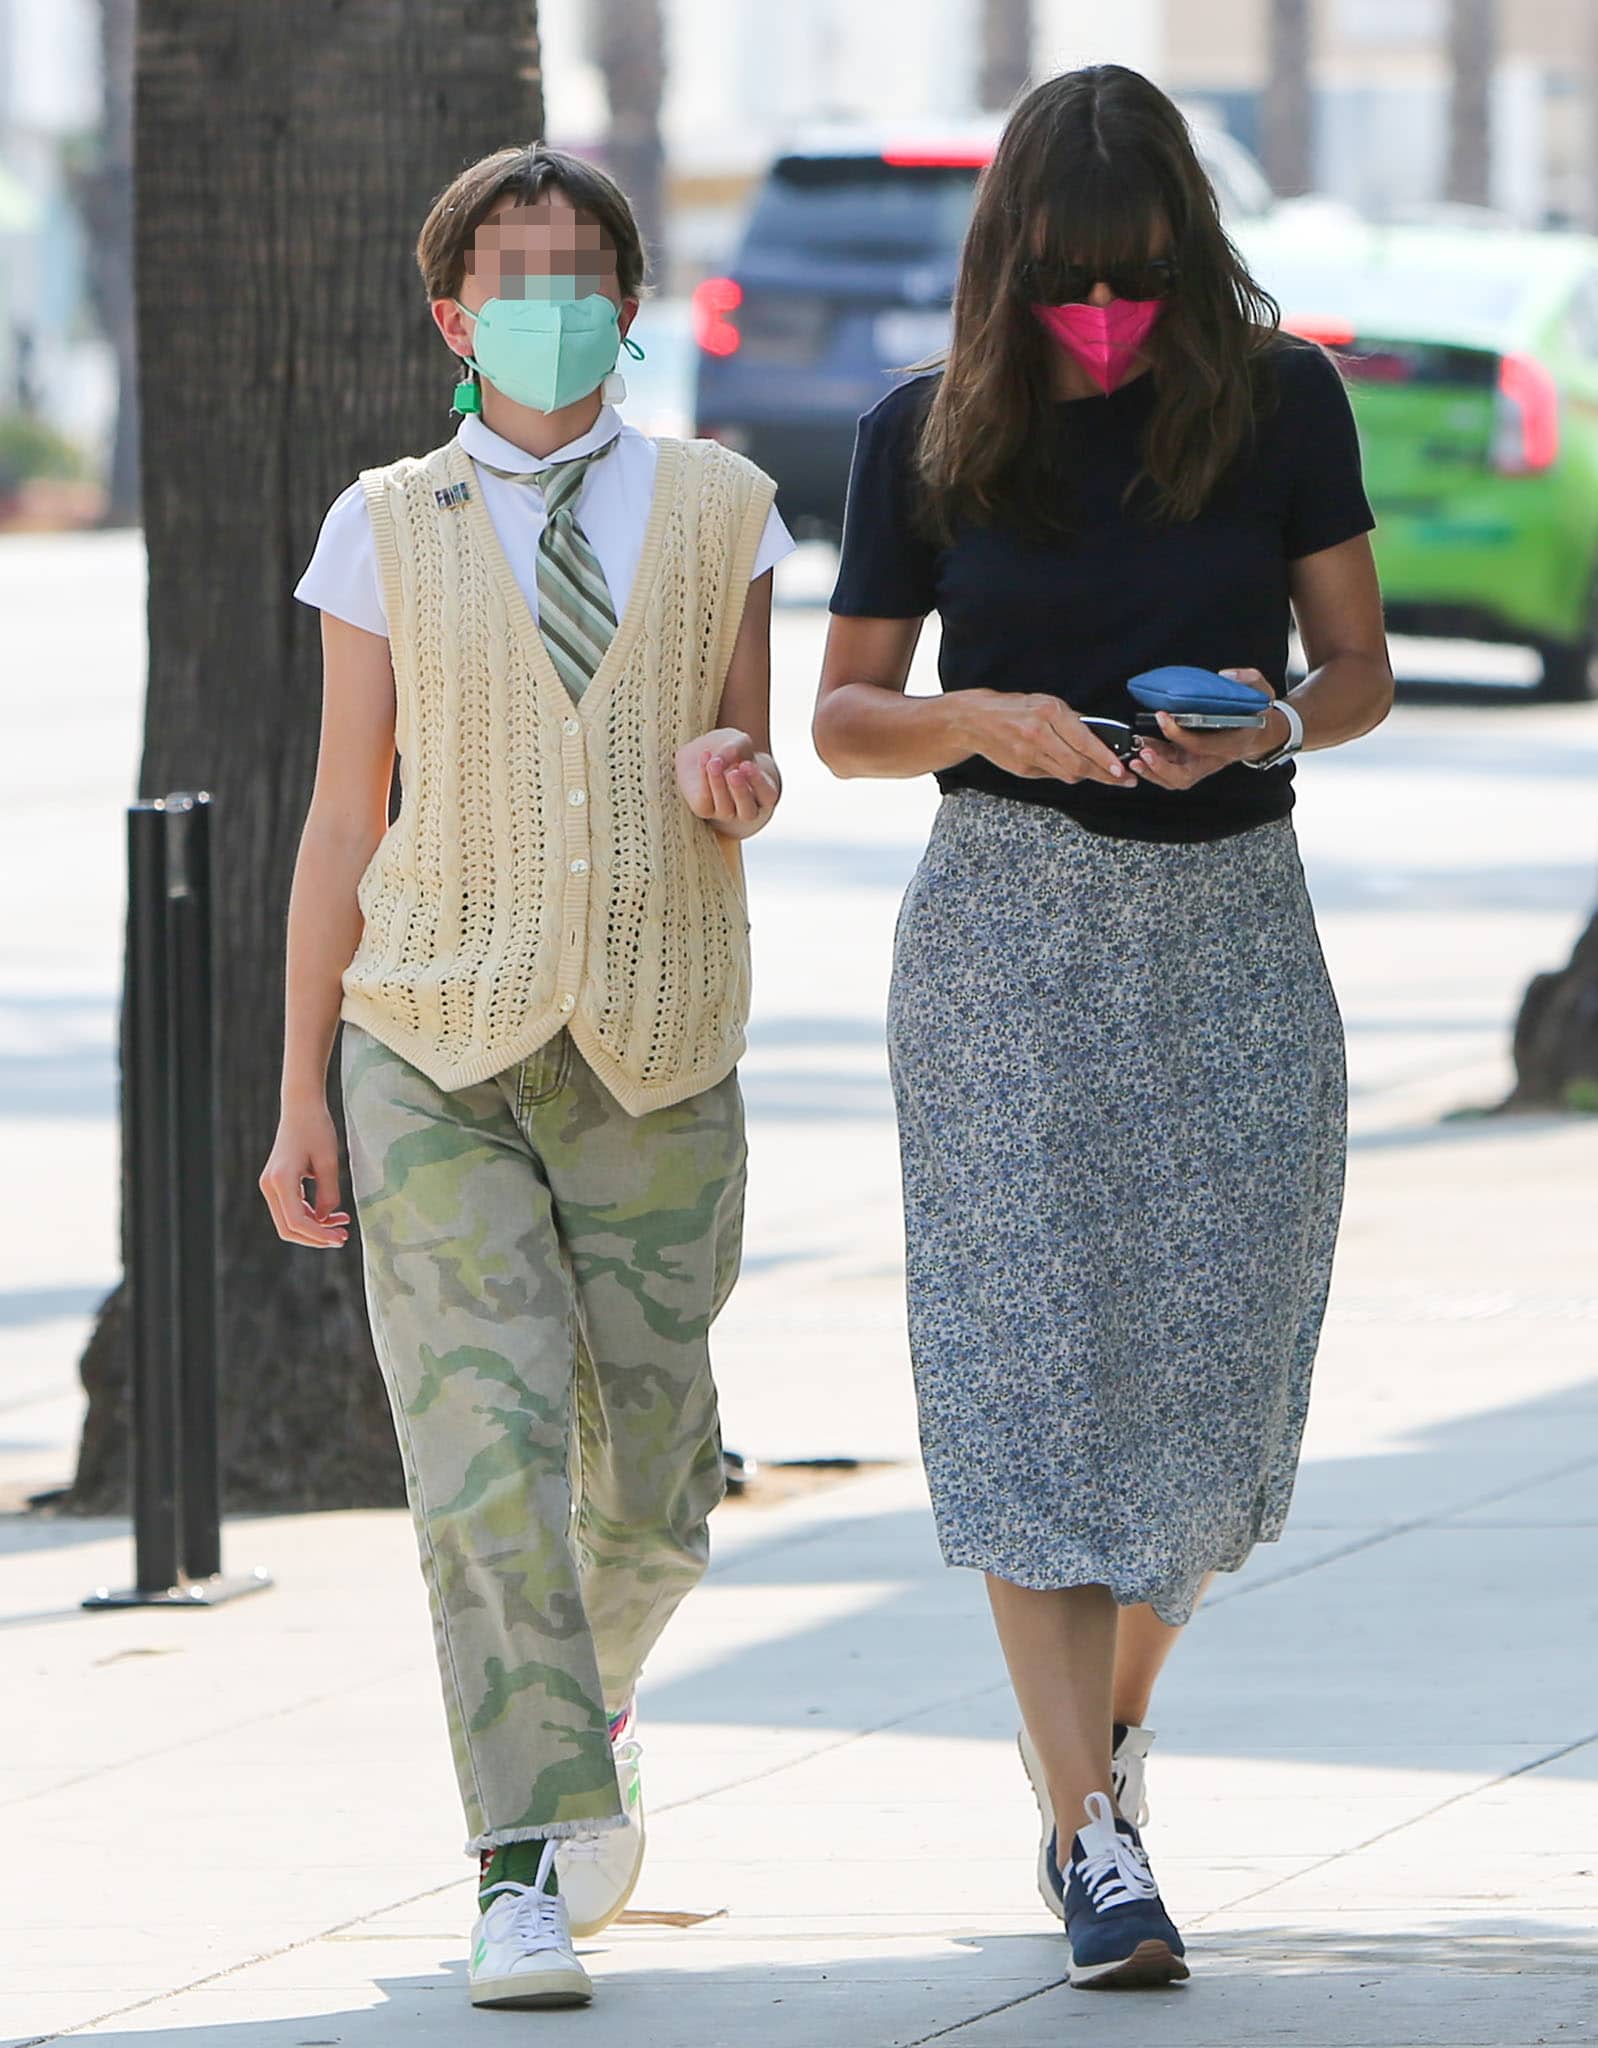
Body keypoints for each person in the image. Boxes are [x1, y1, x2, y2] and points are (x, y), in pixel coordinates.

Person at [814, 66, 1391, 1991]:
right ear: (1006, 261)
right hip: (1003, 941)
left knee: (1213, 1419)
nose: (1100, 312)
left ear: (1187, 252)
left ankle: (1108, 1737)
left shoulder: (1278, 397)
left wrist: (1275, 718)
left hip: (1231, 928)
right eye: (1065, 276)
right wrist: (986, 721)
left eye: (1135, 274)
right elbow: (844, 717)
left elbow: (1364, 669)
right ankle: (1088, 1837)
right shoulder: (927, 430)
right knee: (1025, 1385)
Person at [259, 142, 793, 2012]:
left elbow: (744, 748)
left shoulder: (725, 507)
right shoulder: (383, 524)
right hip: (433, 1036)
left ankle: (593, 1701)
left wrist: (736, 779)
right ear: (452, 313)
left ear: (628, 307)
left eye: (580, 268)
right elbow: (343, 815)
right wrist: (300, 1089)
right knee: (481, 1459)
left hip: (655, 1038)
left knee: (649, 1492)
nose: (548, 296)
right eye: (512, 271)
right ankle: (518, 1865)